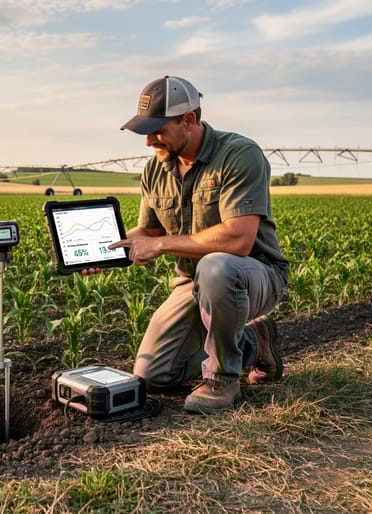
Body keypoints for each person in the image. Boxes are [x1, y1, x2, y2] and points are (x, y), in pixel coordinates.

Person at [107, 75, 289, 414]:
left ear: (188, 120)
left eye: (158, 130)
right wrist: (106, 250)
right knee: (153, 376)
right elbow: (150, 230)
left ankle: (223, 378)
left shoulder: (238, 154)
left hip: (253, 274)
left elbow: (238, 239)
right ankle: (253, 341)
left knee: (216, 266)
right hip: (192, 283)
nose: (149, 141)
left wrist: (161, 247)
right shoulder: (156, 168)